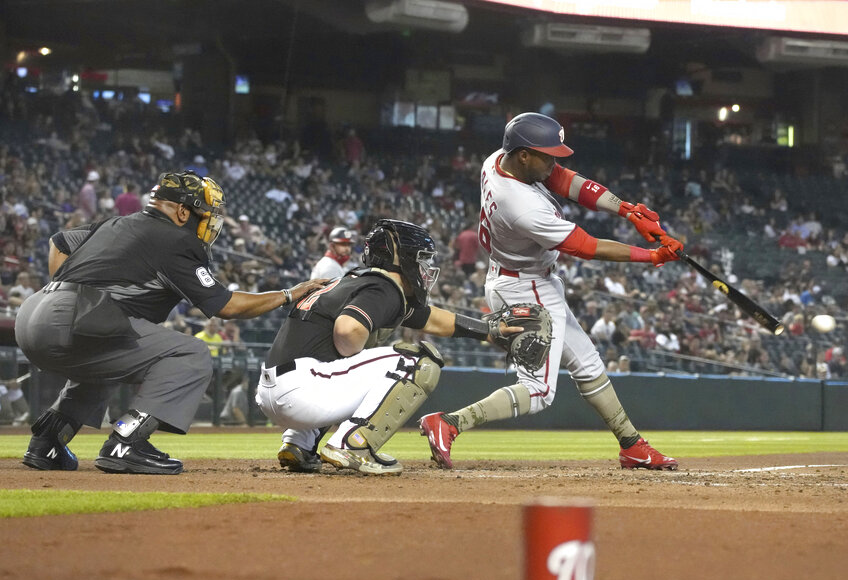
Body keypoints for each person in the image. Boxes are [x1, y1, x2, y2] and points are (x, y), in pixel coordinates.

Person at [419, 112, 684, 471]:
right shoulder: (522, 206)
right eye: (547, 153)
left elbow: (564, 180)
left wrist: (625, 210)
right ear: (525, 154)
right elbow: (586, 246)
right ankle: (449, 423)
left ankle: (632, 446)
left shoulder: (499, 159)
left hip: (523, 277)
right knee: (539, 392)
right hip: (526, 287)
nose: (554, 161)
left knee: (588, 364)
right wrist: (652, 255)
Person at [15, 170, 326, 475]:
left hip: (33, 313)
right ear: (181, 210)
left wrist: (68, 290)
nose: (209, 221)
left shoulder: (116, 224)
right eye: (205, 214)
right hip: (71, 316)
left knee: (102, 366)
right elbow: (227, 306)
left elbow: (60, 242)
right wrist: (288, 293)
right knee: (191, 354)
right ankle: (127, 442)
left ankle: (47, 443)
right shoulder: (177, 239)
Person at [256, 219, 521, 476]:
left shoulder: (354, 281)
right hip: (303, 391)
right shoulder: (385, 288)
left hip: (275, 390)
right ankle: (354, 444)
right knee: (418, 361)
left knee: (349, 363)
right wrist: (356, 354)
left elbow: (432, 318)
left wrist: (489, 332)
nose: (424, 267)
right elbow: (348, 330)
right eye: (421, 259)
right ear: (402, 258)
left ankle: (299, 444)